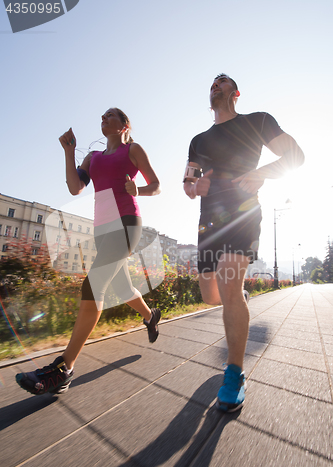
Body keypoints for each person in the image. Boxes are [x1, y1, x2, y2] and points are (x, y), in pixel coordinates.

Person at [16, 107, 161, 395]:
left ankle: (64, 369)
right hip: (102, 231)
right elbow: (74, 187)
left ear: (124, 125)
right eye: (102, 116)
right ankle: (150, 316)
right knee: (121, 288)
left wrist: (138, 191)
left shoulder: (133, 149)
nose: (104, 118)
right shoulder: (92, 157)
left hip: (126, 223)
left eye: (111, 116)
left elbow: (156, 185)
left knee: (93, 287)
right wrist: (68, 152)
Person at [184, 74, 304, 412]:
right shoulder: (198, 140)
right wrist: (195, 188)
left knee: (229, 288)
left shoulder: (258, 122)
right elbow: (187, 181)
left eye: (223, 82)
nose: (215, 85)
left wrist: (261, 173)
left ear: (236, 93)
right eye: (212, 82)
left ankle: (234, 373)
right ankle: (238, 300)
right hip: (209, 221)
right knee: (211, 296)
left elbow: (296, 156)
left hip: (243, 213)